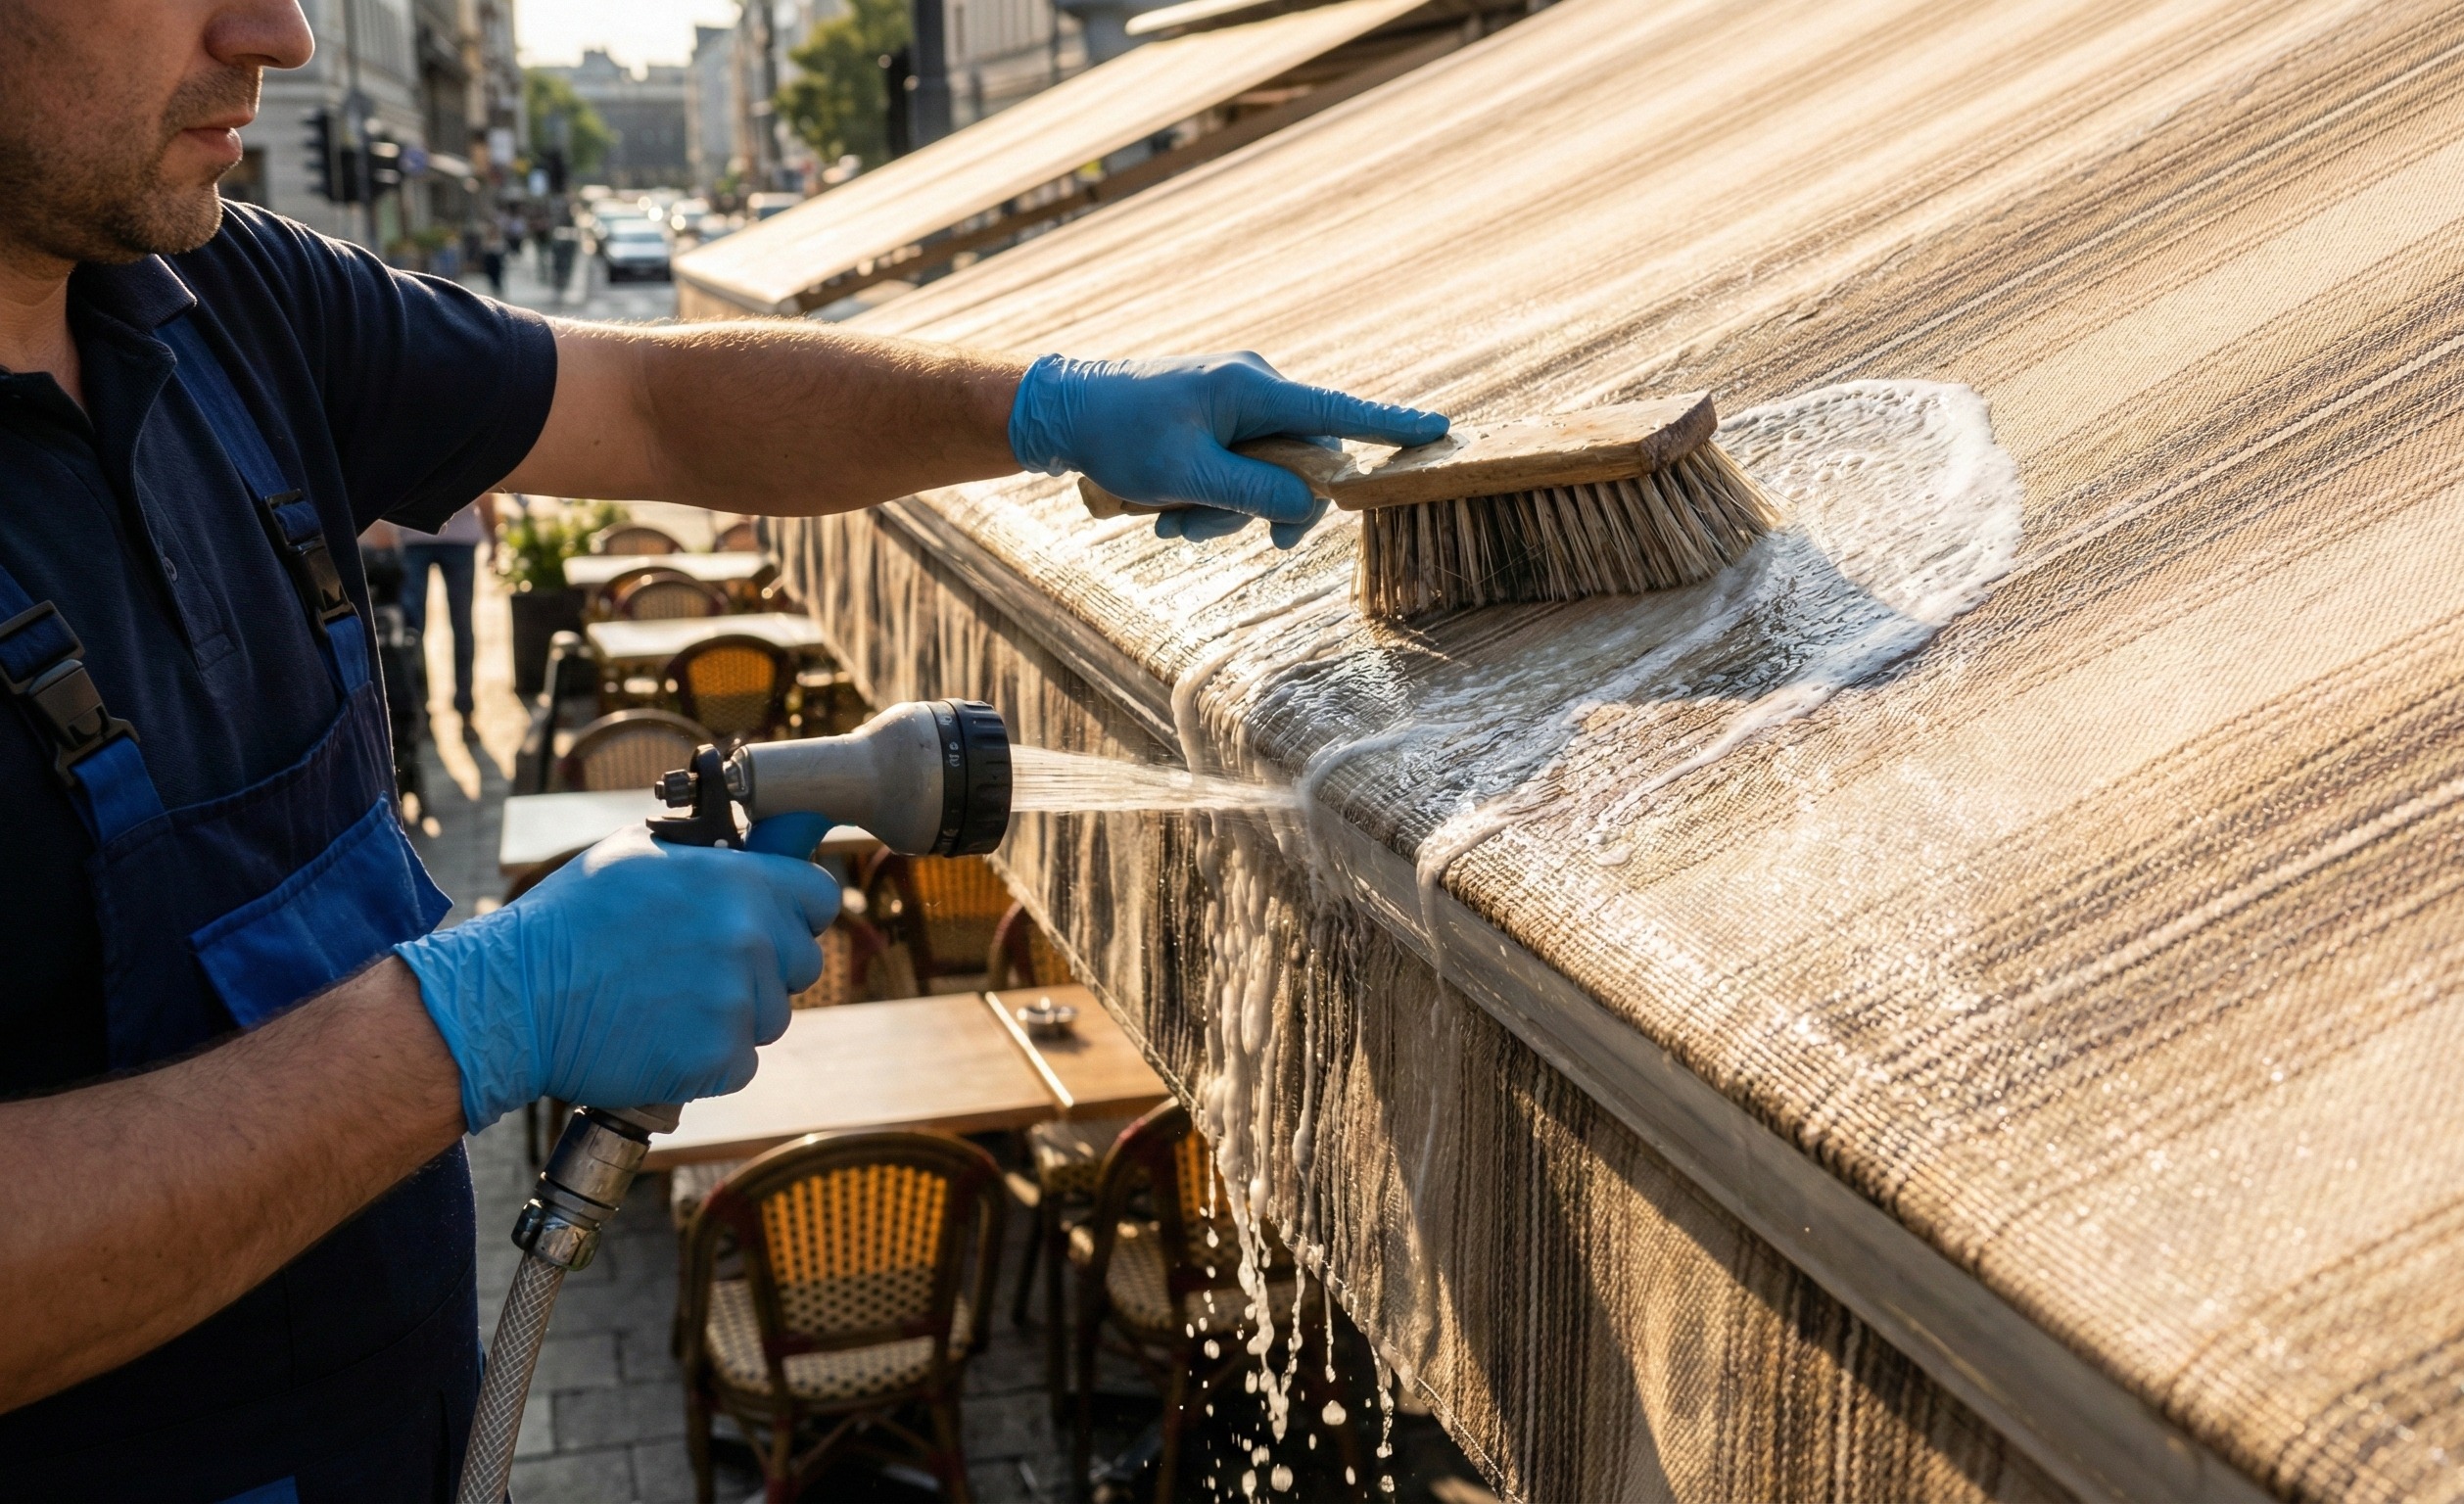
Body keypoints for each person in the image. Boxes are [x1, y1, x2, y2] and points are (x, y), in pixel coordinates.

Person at [0, 3, 1445, 1500]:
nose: (283, 34)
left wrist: (1043, 410)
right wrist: (468, 1024)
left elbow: (661, 407)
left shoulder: (224, 297)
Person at [394, 493, 493, 718]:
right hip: (450, 538)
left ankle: (422, 707)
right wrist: (494, 537)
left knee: (414, 629)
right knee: (459, 626)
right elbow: (488, 490)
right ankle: (461, 706)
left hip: (416, 537)